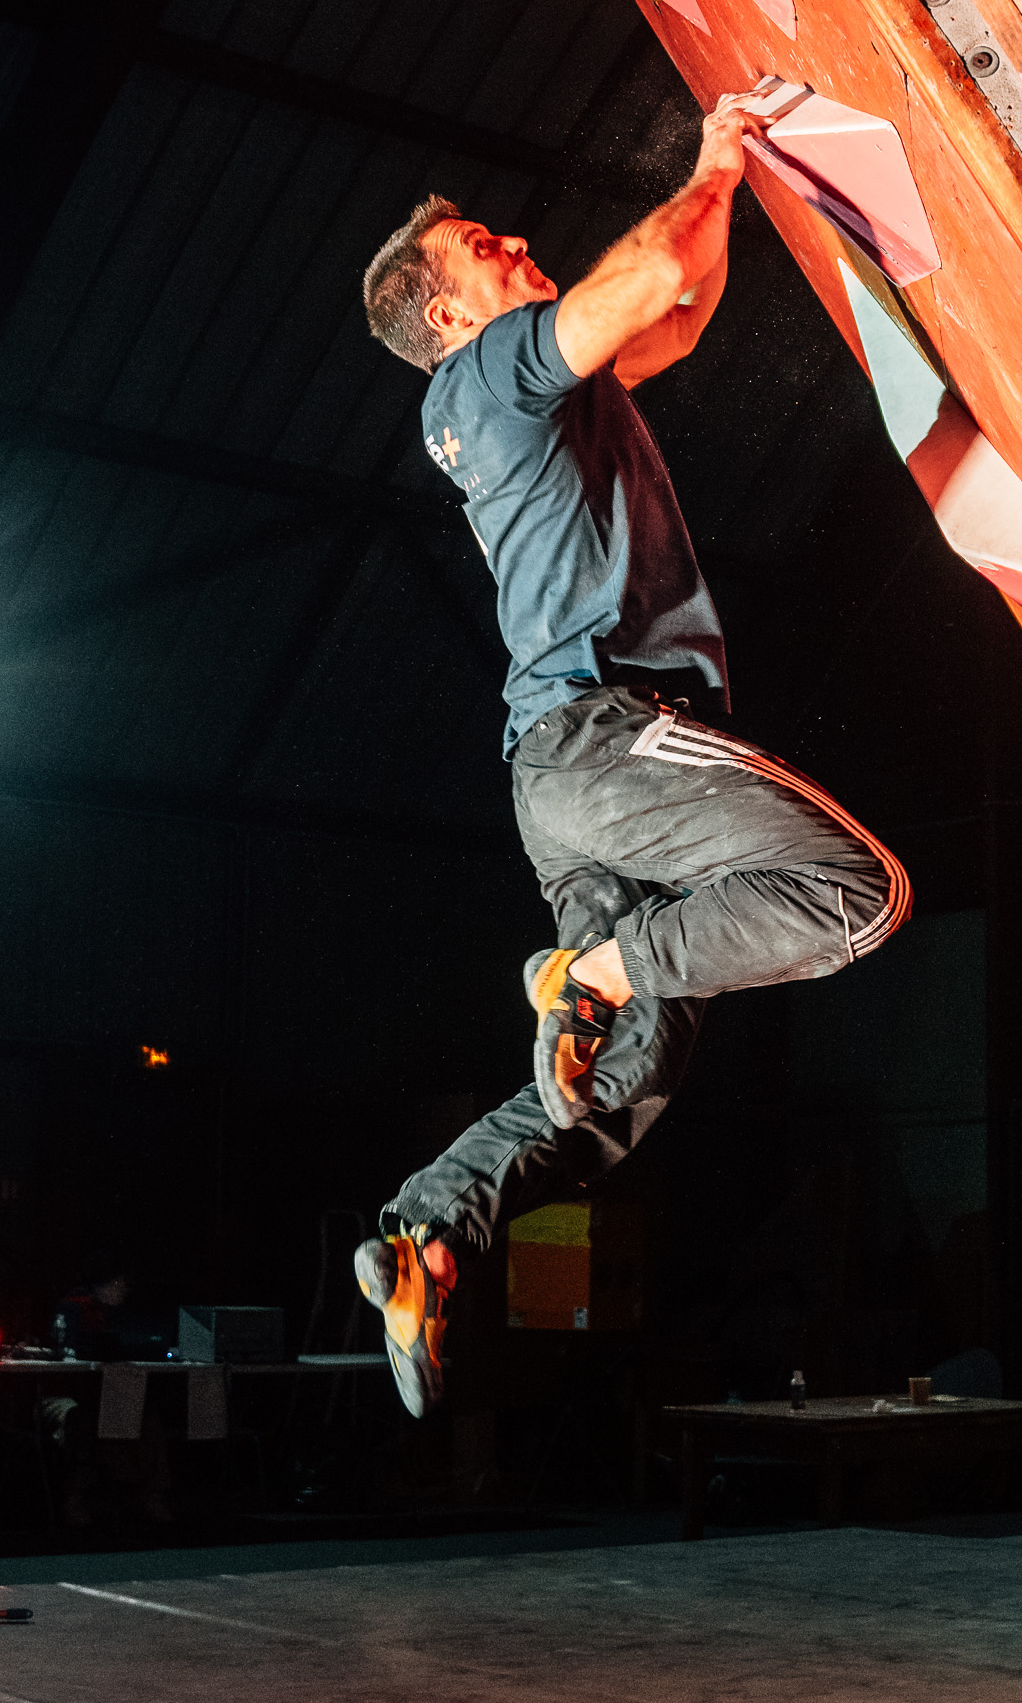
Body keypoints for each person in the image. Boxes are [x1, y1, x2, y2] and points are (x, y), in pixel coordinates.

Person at [352, 92, 908, 1413]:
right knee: (855, 891)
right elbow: (652, 268)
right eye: (483, 246)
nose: (516, 241)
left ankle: (431, 1228)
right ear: (447, 311)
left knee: (624, 1079)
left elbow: (676, 314)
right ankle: (586, 971)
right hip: (606, 737)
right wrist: (714, 158)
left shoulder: (523, 399)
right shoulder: (492, 369)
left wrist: (735, 186)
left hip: (557, 784)